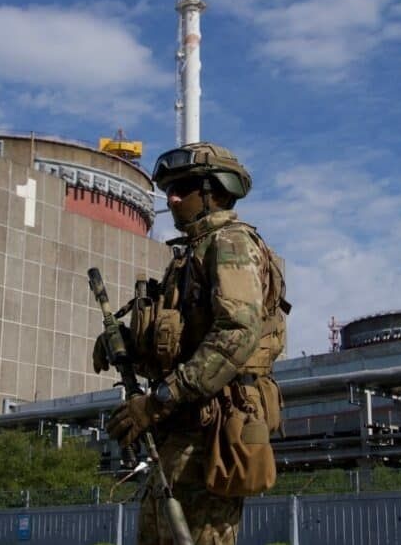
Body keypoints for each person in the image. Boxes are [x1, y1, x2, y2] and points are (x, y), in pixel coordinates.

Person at [95, 142, 288, 545]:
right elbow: (184, 341)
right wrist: (128, 344)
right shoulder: (191, 255)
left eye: (183, 187)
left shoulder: (230, 244)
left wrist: (159, 400)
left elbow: (237, 332)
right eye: (169, 189)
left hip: (210, 434)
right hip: (180, 431)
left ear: (214, 191)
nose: (172, 198)